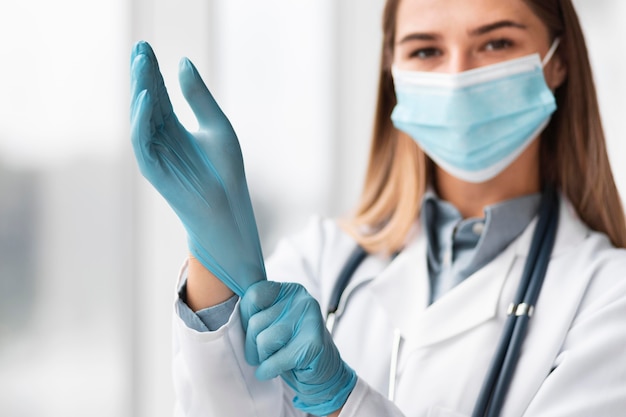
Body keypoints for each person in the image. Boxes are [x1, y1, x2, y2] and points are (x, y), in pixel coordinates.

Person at [129, 0, 626, 415]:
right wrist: (214, 264)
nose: (457, 77)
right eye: (426, 49)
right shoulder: (324, 259)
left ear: (558, 62)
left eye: (496, 43)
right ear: (393, 71)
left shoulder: (608, 297)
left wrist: (345, 400)